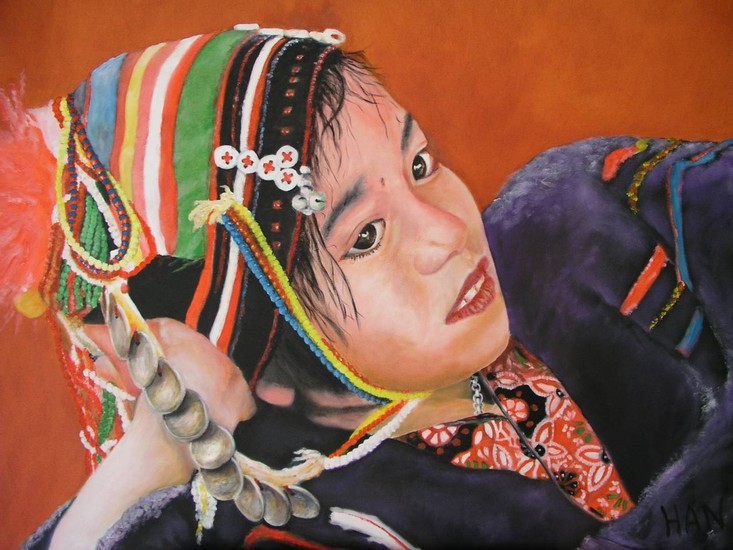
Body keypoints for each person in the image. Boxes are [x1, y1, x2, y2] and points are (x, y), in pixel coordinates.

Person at [6, 25, 731, 549]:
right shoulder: (308, 522)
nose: (446, 231)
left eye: (419, 165)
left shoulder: (570, 218)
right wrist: (154, 449)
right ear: (262, 365)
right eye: (365, 236)